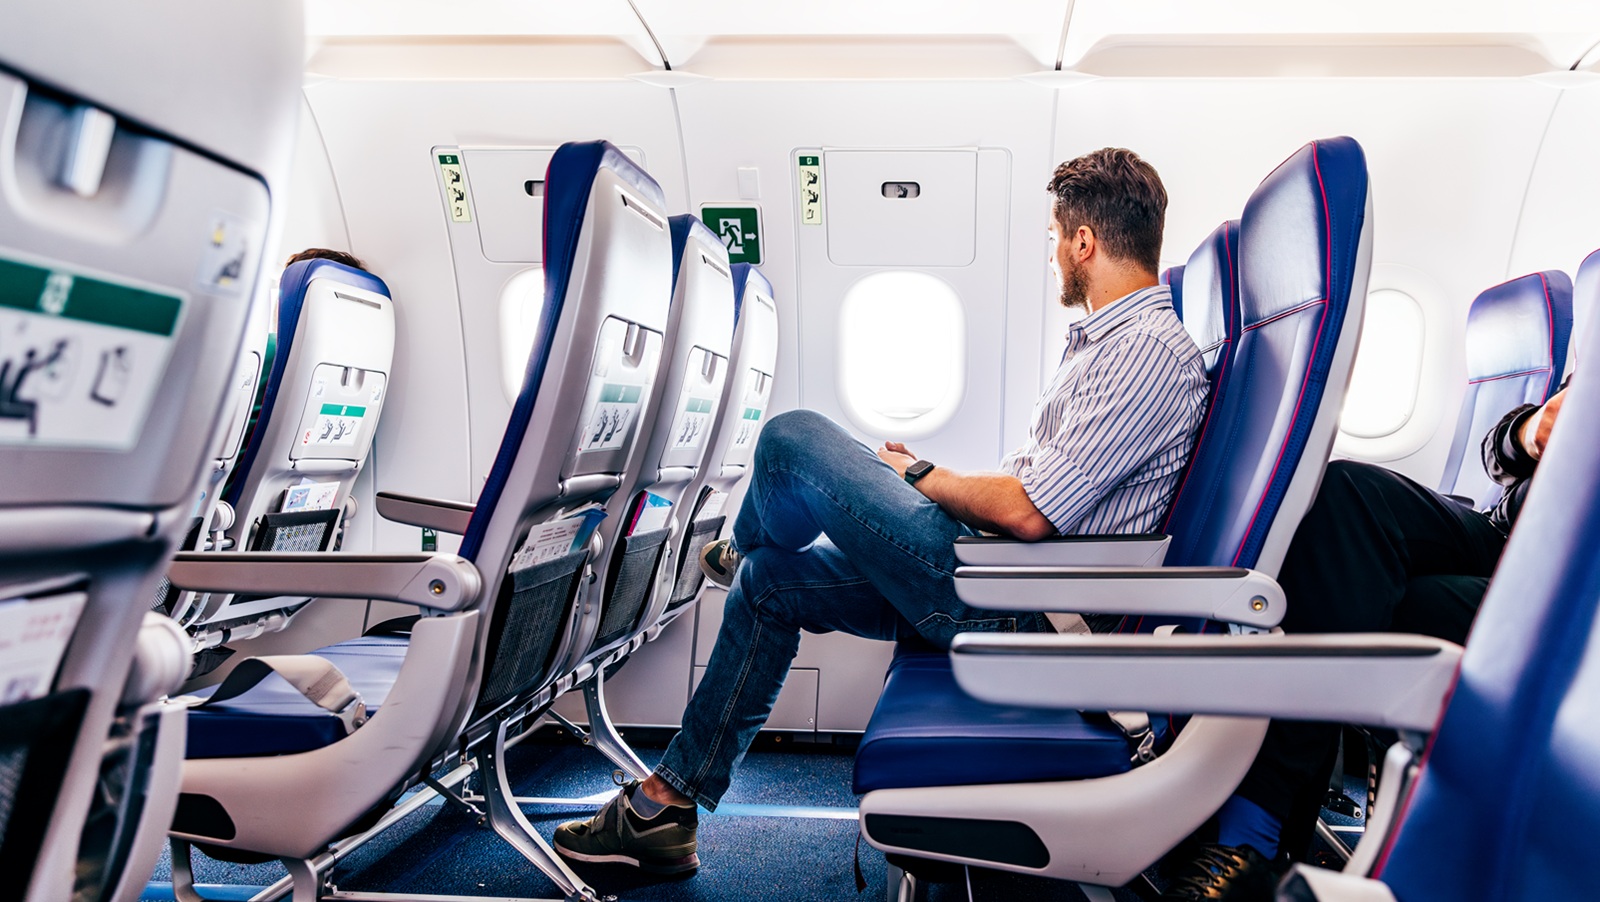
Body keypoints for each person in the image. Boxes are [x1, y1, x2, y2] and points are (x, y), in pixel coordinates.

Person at [551, 148, 1211, 875]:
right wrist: (922, 482)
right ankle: (666, 808)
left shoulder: (1146, 351)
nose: (1054, 255)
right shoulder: (1106, 345)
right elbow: (1039, 492)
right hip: (997, 572)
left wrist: (919, 475)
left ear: (1084, 241)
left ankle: (742, 543)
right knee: (770, 584)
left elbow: (1030, 512)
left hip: (1021, 605)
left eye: (1056, 238)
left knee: (792, 439)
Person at [1160, 377, 1570, 901]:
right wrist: (1529, 432)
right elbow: (1499, 454)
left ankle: (1250, 834)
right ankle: (1254, 828)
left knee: (1379, 599)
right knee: (1349, 491)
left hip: (1571, 581)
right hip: (1505, 533)